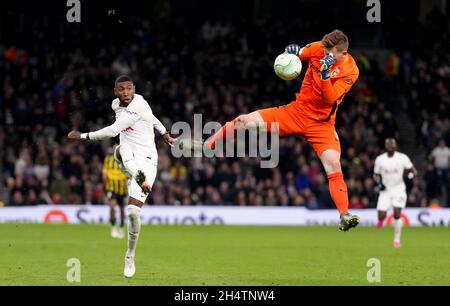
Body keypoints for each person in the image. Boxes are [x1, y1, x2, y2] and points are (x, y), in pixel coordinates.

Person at [190, 30, 360, 231]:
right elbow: (297, 55)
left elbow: (328, 99)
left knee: (333, 166)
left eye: (328, 52)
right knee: (243, 121)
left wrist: (324, 75)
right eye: (322, 49)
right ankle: (208, 146)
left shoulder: (351, 71)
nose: (323, 52)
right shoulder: (319, 48)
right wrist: (293, 52)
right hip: (295, 112)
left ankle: (344, 214)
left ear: (341, 53)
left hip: (321, 125)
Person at [67, 75, 175, 277]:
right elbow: (152, 118)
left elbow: (113, 130)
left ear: (134, 89)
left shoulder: (138, 105)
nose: (126, 93)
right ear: (116, 91)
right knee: (122, 149)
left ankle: (130, 255)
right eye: (122, 89)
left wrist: (82, 136)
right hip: (128, 153)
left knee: (133, 213)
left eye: (129, 89)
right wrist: (164, 132)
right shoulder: (116, 104)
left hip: (148, 159)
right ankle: (135, 176)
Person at [373, 138, 417, 248]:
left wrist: (409, 177)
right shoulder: (380, 159)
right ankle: (381, 220)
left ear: (396, 146)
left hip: (399, 189)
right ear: (385, 146)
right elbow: (375, 174)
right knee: (381, 216)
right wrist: (379, 183)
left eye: (392, 144)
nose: (390, 146)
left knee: (397, 214)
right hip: (385, 191)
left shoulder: (402, 158)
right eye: (387, 144)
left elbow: (413, 171)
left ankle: (396, 240)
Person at [103, 146, 128, 239]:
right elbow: (104, 173)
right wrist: (105, 180)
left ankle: (121, 228)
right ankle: (113, 227)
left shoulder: (125, 161)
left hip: (122, 189)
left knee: (122, 210)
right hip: (112, 188)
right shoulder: (108, 160)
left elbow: (128, 174)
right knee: (112, 207)